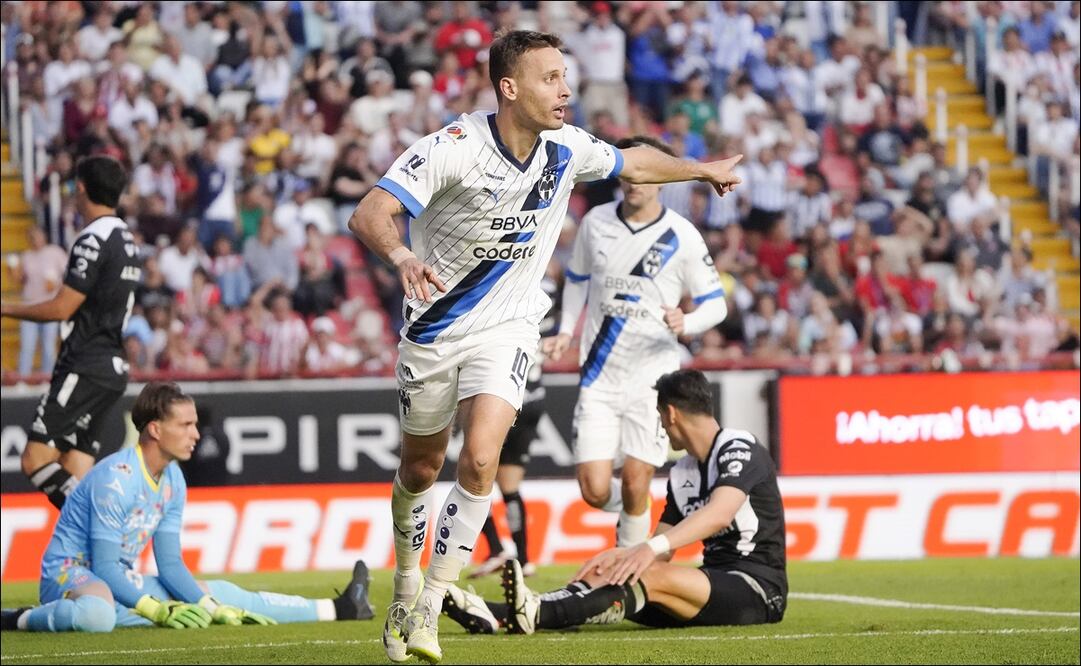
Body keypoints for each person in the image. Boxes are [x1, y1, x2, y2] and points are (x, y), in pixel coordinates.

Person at [349, 28, 742, 664]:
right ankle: (406, 583)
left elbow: (636, 162)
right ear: (509, 88)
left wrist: (701, 169)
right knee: (421, 468)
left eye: (566, 77)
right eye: (551, 78)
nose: (565, 90)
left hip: (509, 328)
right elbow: (369, 212)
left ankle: (430, 607)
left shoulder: (568, 147)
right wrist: (400, 257)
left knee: (481, 459)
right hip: (434, 331)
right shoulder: (453, 147)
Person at [0, 381, 374, 633]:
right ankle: (19, 618)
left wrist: (209, 605)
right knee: (98, 616)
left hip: (115, 580)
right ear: (155, 430)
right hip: (70, 575)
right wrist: (154, 608)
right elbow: (104, 566)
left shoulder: (173, 479)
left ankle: (341, 608)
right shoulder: (116, 478)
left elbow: (170, 564)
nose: (196, 434)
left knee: (220, 596)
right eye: (186, 425)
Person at [441, 369, 787, 635]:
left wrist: (646, 550)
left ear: (670, 414)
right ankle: (497, 614)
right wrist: (622, 556)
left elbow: (719, 514)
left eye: (659, 417)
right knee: (615, 569)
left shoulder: (738, 446)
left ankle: (531, 613)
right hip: (710, 584)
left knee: (647, 572)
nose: (661, 427)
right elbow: (661, 548)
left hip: (756, 589)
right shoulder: (684, 471)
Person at [545, 136, 728, 549]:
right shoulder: (595, 222)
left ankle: (627, 571)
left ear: (661, 179)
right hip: (599, 375)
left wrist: (688, 321)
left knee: (635, 477)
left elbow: (716, 304)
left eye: (644, 174)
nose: (634, 181)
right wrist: (566, 329)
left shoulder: (682, 235)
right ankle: (637, 508)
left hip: (652, 380)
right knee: (594, 489)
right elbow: (577, 280)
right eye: (628, 172)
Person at [1, 156, 142, 509]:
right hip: (111, 366)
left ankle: (106, 526)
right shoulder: (126, 239)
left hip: (85, 363)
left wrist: (5, 307)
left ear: (80, 188)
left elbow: (62, 308)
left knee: (35, 460)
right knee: (74, 472)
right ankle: (97, 543)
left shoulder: (93, 238)